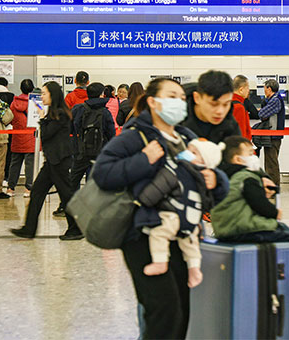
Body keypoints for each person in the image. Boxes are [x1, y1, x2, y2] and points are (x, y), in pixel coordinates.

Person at [91, 77, 229, 339]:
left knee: (182, 312)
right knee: (164, 312)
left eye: (181, 98)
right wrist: (144, 159)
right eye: (171, 96)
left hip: (182, 235)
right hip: (143, 234)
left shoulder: (186, 138)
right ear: (153, 102)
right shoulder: (135, 136)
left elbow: (212, 184)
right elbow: (103, 173)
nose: (179, 102)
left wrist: (216, 180)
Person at [213, 136, 289, 284]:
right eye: (249, 153)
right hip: (240, 229)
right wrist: (274, 213)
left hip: (224, 228)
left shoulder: (225, 177)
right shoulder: (246, 177)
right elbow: (258, 202)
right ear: (238, 159)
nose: (253, 156)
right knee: (285, 233)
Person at [141, 139, 224, 288]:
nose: (187, 153)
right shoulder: (205, 178)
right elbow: (208, 201)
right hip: (193, 218)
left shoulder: (176, 170)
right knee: (190, 243)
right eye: (188, 149)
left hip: (173, 215)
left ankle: (160, 261)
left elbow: (159, 187)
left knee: (159, 234)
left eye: (193, 152)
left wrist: (144, 200)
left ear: (204, 161)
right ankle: (194, 269)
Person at [9, 81, 84, 240]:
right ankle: (29, 229)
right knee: (37, 193)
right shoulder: (55, 112)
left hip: (59, 161)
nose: (41, 96)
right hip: (52, 161)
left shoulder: (60, 113)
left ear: (53, 95)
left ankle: (76, 229)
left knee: (66, 195)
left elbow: (47, 134)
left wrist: (42, 118)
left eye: (44, 93)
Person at [56, 82, 116, 217]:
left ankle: (66, 207)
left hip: (79, 150)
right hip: (99, 152)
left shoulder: (78, 109)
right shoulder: (105, 112)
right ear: (101, 95)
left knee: (73, 180)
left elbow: (70, 129)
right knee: (94, 181)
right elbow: (111, 134)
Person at [180, 70, 240, 144]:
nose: (220, 111)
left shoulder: (230, 124)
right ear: (197, 98)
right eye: (213, 104)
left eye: (226, 104)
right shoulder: (176, 118)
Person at [7, 79, 36, 197]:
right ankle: (28, 189)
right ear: (32, 89)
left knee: (14, 164)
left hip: (17, 136)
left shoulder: (14, 102)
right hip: (31, 137)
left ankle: (10, 188)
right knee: (30, 165)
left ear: (20, 88)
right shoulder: (35, 102)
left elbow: (11, 119)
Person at [256, 79, 285, 190]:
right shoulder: (272, 100)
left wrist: (261, 110)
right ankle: (270, 186)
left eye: (264, 88)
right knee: (269, 161)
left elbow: (262, 113)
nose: (264, 91)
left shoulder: (275, 100)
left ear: (269, 88)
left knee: (272, 163)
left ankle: (273, 188)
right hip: (271, 135)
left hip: (274, 135)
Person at [0, 77, 16, 188]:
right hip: (9, 129)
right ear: (6, 86)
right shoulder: (11, 96)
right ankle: (6, 177)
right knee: (8, 155)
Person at [231, 75, 253, 140]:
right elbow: (241, 133)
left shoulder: (228, 103)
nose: (248, 91)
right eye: (247, 88)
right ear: (241, 90)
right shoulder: (239, 107)